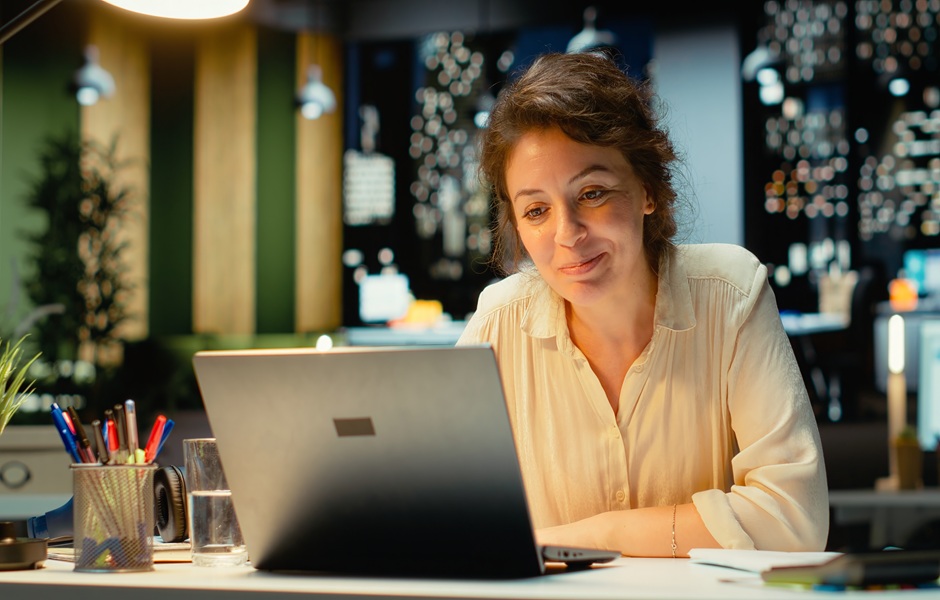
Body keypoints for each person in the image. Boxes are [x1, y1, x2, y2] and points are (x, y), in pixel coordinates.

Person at [456, 51, 829, 557]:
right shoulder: (497, 325)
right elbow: (448, 517)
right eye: (537, 210)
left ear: (648, 189)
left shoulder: (730, 294)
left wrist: (600, 536)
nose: (566, 234)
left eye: (592, 193)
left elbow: (794, 518)